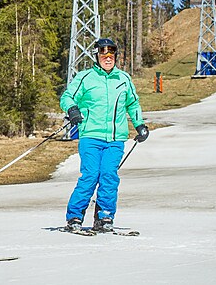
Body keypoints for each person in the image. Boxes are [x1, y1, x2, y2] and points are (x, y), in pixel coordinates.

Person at [60, 38, 149, 232]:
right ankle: (74, 217)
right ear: (97, 56)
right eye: (103, 55)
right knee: (91, 175)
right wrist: (73, 109)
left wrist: (139, 124)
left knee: (109, 175)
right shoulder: (86, 78)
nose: (107, 59)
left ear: (115, 57)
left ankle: (105, 217)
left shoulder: (123, 79)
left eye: (111, 55)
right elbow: (67, 97)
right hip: (90, 135)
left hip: (116, 139)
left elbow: (132, 104)